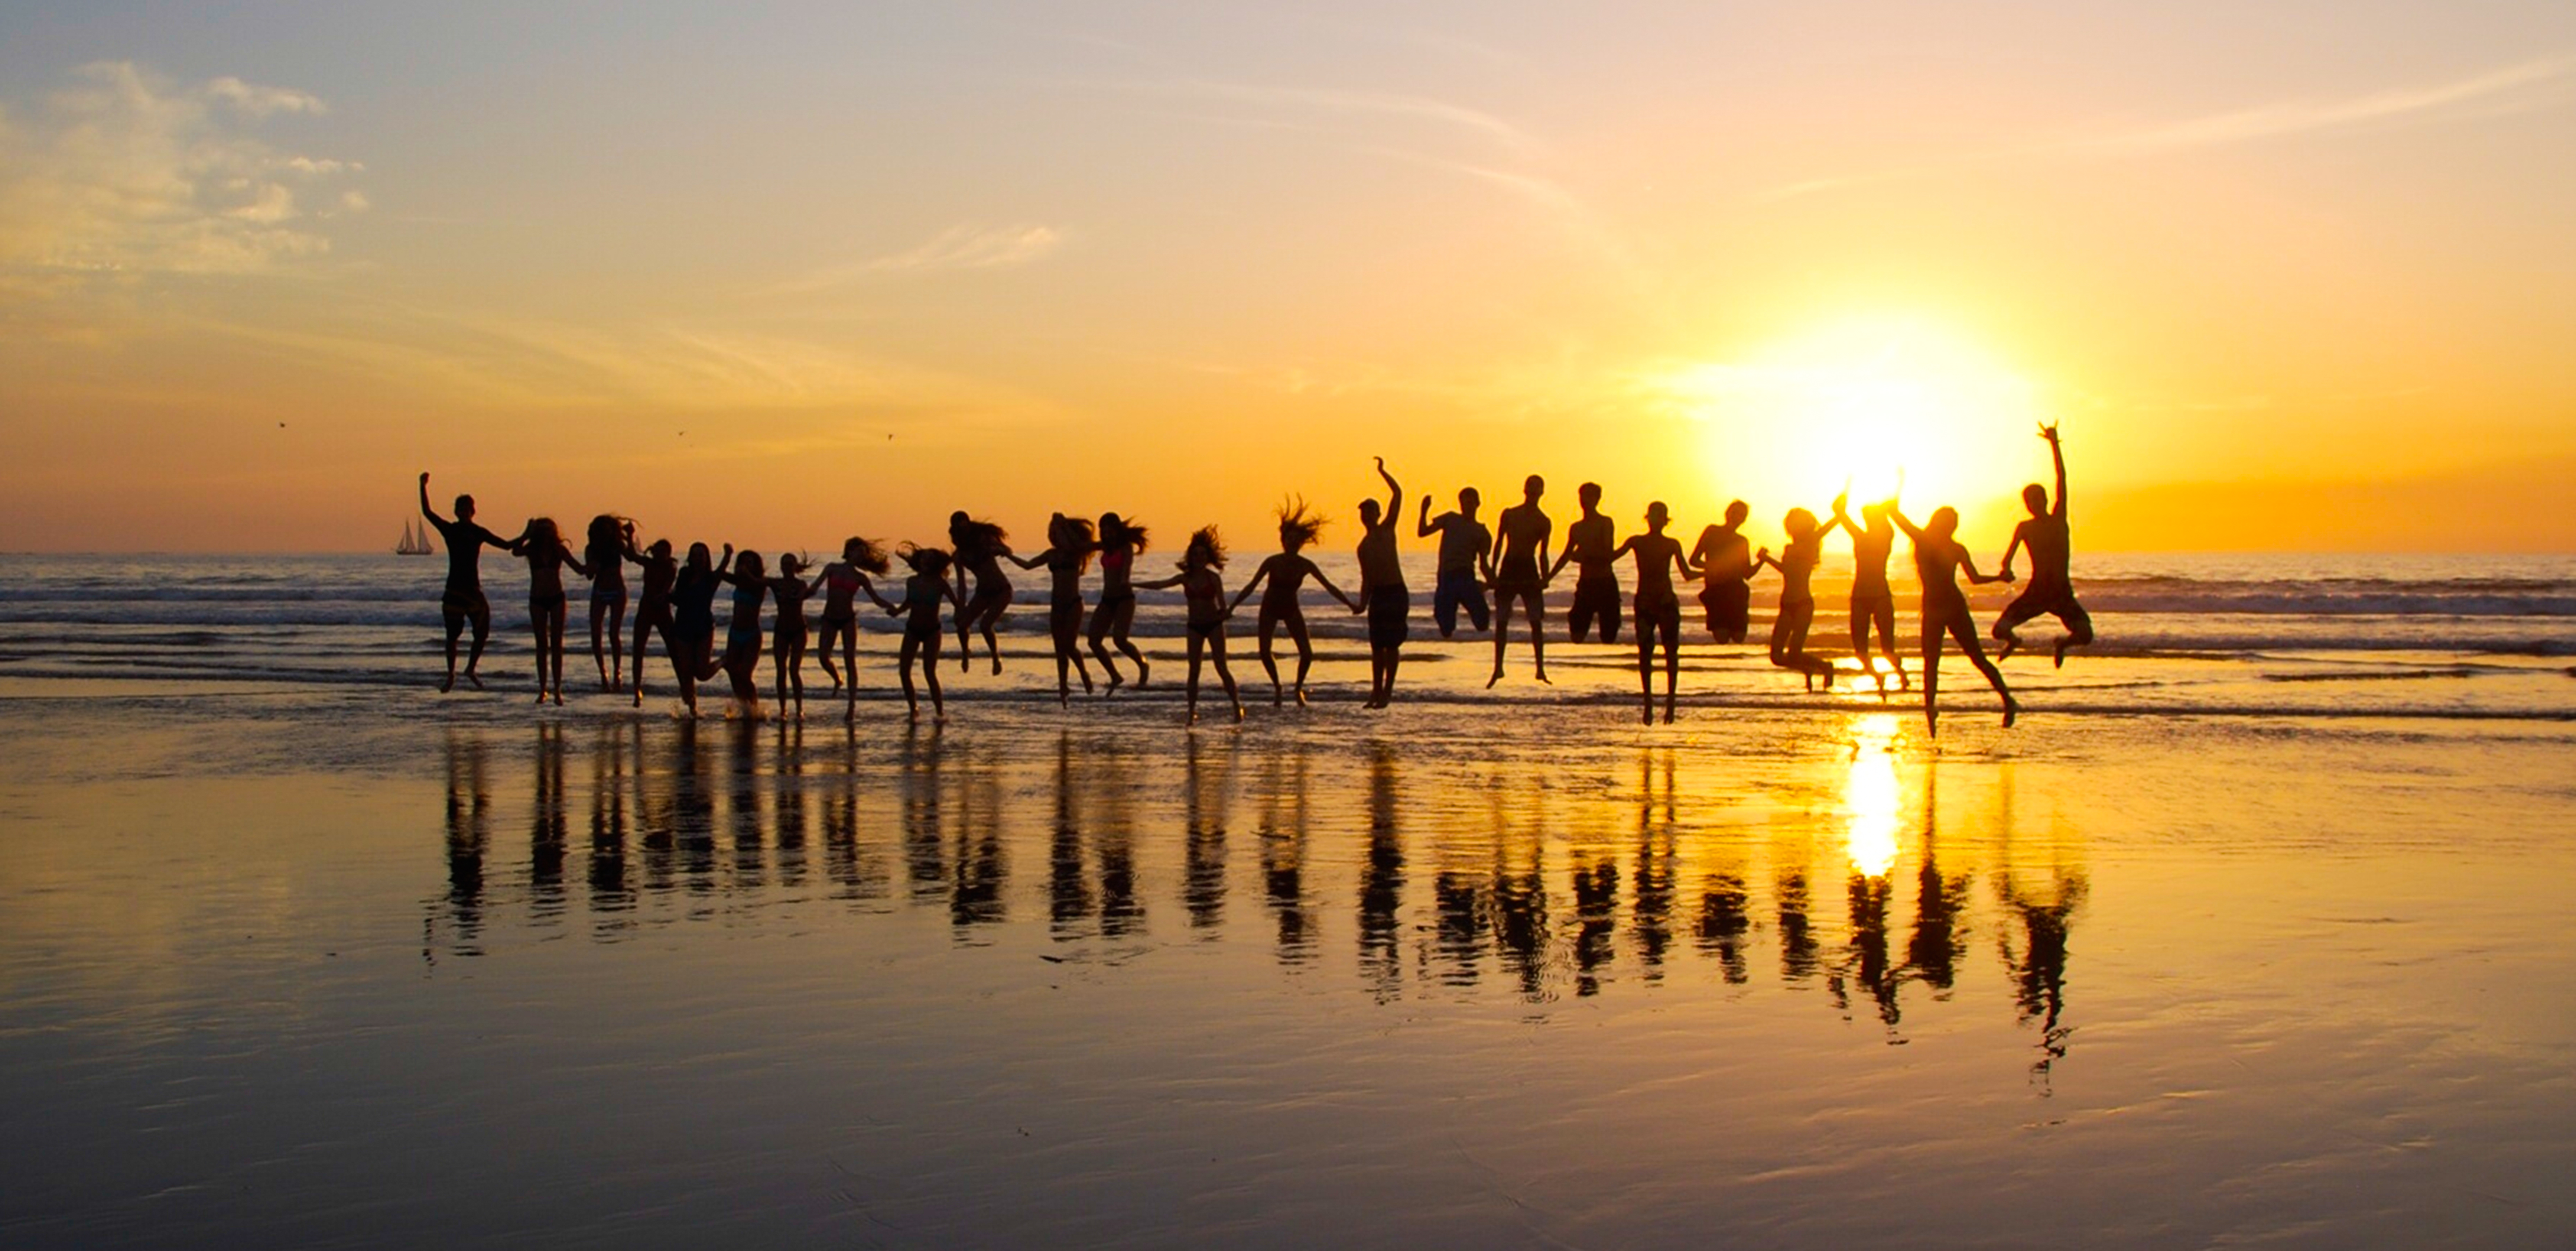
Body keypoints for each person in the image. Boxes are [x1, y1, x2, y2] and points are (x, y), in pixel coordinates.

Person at [1889, 504, 2017, 734]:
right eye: (1949, 523)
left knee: (1974, 657)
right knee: (1932, 662)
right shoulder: (1924, 540)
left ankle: (2008, 700)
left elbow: (1975, 579)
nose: (1952, 527)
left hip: (1953, 607)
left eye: (1954, 524)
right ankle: (1930, 709)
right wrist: (1896, 491)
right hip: (1934, 609)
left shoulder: (1952, 548)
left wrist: (1999, 579)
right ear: (1940, 523)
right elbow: (1897, 517)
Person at [1226, 498, 1354, 706]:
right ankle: (1277, 687)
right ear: (1284, 541)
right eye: (1290, 540)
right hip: (1269, 608)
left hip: (1291, 609)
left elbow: (1329, 586)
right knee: (1264, 652)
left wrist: (1351, 605)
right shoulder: (1272, 562)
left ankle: (1298, 688)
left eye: (1297, 541)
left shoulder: (1306, 565)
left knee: (1307, 653)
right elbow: (1251, 586)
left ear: (1301, 544)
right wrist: (1232, 607)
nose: (1293, 544)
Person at [1994, 422, 2094, 667]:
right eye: (2029, 501)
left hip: (2060, 592)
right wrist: (2006, 570)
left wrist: (2053, 445)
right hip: (2036, 592)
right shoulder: (2025, 527)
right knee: (1999, 631)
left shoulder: (2058, 519)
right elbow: (2007, 558)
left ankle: (2062, 644)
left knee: (2085, 636)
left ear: (2045, 500)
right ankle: (2013, 641)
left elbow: (2062, 478)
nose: (2033, 505)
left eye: (2037, 500)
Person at [1139, 526, 1244, 725]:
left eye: (1203, 554)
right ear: (1191, 556)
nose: (1199, 557)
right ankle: (1191, 712)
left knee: (1221, 667)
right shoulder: (1185, 578)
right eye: (1196, 554)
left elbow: (1223, 605)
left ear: (1208, 557)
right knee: (1194, 670)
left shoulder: (1214, 578)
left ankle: (1236, 706)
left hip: (1213, 625)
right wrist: (1134, 585)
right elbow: (1161, 584)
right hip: (1194, 626)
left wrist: (1225, 614)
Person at [418, 472, 512, 692]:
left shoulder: (475, 532)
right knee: (453, 636)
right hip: (458, 591)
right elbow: (428, 513)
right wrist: (422, 487)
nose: (463, 513)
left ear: (471, 512)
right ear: (459, 512)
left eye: (466, 510)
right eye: (461, 510)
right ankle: (452, 674)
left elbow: (507, 546)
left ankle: (468, 670)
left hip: (468, 590)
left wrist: (528, 533)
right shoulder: (452, 530)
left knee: (481, 632)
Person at [1609, 502, 1700, 725]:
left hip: (1667, 602)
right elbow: (1609, 558)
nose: (1657, 519)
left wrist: (1712, 572)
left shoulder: (1672, 544)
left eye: (1661, 516)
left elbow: (1687, 574)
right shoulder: (1636, 542)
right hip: (1645, 604)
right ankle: (1648, 704)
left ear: (1666, 520)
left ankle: (1671, 704)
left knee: (1672, 654)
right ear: (1648, 518)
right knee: (1645, 654)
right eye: (1653, 515)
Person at [1008, 513, 1098, 706]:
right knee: (1060, 650)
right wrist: (1007, 554)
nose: (1054, 536)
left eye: (1058, 532)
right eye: (1052, 532)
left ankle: (1084, 673)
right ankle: (1063, 687)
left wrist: (1064, 524)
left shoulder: (1076, 552)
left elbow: (1077, 543)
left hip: (1074, 604)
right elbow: (1027, 565)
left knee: (1069, 645)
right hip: (1057, 606)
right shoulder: (1051, 554)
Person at [1750, 507, 1837, 691]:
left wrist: (1840, 512)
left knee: (1795, 652)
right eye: (1790, 523)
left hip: (1803, 603)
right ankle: (1808, 669)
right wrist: (1766, 559)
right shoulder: (1789, 548)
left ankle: (1826, 667)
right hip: (1786, 604)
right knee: (1777, 657)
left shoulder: (1812, 541)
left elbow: (1830, 526)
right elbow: (1786, 571)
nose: (1792, 527)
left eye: (1796, 523)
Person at [505, 516, 589, 705]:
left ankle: (558, 690)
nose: (545, 535)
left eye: (547, 530)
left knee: (557, 644)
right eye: (541, 531)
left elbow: (579, 569)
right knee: (541, 645)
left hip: (557, 598)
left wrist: (593, 567)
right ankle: (543, 689)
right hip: (537, 599)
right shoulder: (531, 550)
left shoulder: (559, 550)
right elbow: (515, 551)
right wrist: (526, 533)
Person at [1829, 491, 1907, 690]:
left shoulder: (1886, 537)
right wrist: (1846, 491)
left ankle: (1901, 674)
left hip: (1881, 595)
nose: (1866, 520)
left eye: (1869, 517)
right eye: (1865, 517)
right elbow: (1839, 512)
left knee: (1888, 649)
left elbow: (1892, 506)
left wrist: (1899, 483)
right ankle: (1877, 677)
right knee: (1860, 651)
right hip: (1859, 596)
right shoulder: (1860, 535)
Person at [879, 545, 963, 722]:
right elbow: (909, 602)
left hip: (932, 630)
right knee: (904, 671)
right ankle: (913, 709)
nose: (926, 563)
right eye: (924, 559)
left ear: (935, 564)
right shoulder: (912, 582)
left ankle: (940, 712)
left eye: (930, 560)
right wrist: (897, 612)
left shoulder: (941, 583)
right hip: (913, 629)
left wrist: (963, 619)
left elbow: (957, 604)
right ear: (919, 562)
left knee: (929, 673)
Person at [812, 537, 891, 720]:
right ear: (849, 551)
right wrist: (804, 593)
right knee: (824, 658)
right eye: (858, 551)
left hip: (848, 620)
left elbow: (876, 599)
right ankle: (837, 679)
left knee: (850, 661)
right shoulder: (832, 568)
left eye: (863, 553)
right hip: (830, 619)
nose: (860, 555)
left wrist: (893, 607)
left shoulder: (860, 577)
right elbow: (816, 586)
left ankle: (851, 707)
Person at [1487, 475, 1553, 687]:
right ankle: (1498, 667)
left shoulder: (1544, 521)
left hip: (1529, 568)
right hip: (1509, 567)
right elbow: (1498, 544)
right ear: (1524, 490)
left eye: (1538, 489)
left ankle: (1540, 668)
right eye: (1531, 488)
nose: (1533, 492)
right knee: (1502, 621)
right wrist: (1492, 573)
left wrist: (1546, 577)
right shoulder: (1510, 514)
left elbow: (1543, 553)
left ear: (1542, 492)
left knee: (1536, 621)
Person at [1353, 458, 1408, 709]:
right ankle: (1375, 692)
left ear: (1377, 514)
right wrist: (1362, 604)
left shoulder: (1387, 529)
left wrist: (1382, 471)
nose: (1367, 516)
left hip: (1396, 592)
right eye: (1364, 513)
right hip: (1378, 596)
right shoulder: (1362, 547)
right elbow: (1367, 579)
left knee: (1392, 646)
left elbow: (1398, 494)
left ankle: (1387, 691)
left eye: (1370, 511)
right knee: (1377, 648)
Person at [664, 542, 732, 718]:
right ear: (691, 557)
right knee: (686, 673)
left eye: (702, 555)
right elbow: (678, 598)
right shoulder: (685, 574)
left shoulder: (711, 578)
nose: (698, 558)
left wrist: (728, 555)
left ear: (707, 558)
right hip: (683, 625)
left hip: (703, 626)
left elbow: (721, 570)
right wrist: (666, 597)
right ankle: (693, 710)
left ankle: (723, 661)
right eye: (695, 555)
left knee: (701, 673)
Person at [1547, 482, 1620, 645]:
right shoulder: (1576, 528)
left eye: (1589, 497)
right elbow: (1566, 555)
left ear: (1598, 499)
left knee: (1609, 637)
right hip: (1586, 583)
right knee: (1577, 636)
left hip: (1605, 583)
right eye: (1582, 496)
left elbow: (1607, 553)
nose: (1585, 500)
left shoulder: (1605, 523)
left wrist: (1584, 555)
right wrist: (1548, 578)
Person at [1087, 513, 1152, 692]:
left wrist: (1125, 578)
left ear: (1117, 530)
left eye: (1110, 531)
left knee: (1120, 640)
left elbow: (1127, 567)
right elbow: (1082, 546)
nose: (1107, 535)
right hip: (1107, 599)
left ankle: (1143, 664)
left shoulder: (1126, 547)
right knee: (1093, 641)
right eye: (1104, 532)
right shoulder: (1104, 547)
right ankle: (1115, 676)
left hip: (1124, 598)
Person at [1418, 485, 1492, 638]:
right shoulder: (1450, 519)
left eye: (1471, 503)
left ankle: (1478, 591)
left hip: (1466, 577)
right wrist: (1424, 510)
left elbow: (1483, 563)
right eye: (1464, 503)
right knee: (1447, 630)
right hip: (1447, 577)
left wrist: (1492, 582)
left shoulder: (1481, 532)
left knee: (1483, 624)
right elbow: (1423, 532)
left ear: (1478, 504)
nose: (1467, 507)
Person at [948, 512, 1014, 675]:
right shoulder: (959, 556)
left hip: (1002, 590)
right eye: (959, 527)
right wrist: (959, 608)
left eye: (964, 525)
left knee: (985, 626)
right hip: (983, 592)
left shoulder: (984, 540)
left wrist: (999, 549)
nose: (962, 529)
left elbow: (1008, 551)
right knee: (962, 625)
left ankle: (995, 657)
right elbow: (962, 586)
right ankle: (965, 653)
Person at [708, 549, 770, 719]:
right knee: (734, 672)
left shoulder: (760, 583)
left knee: (744, 674)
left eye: (750, 563)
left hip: (752, 634)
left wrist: (745, 574)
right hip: (735, 633)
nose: (746, 566)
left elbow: (754, 583)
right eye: (743, 563)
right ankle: (744, 706)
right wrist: (727, 557)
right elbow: (719, 574)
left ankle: (754, 707)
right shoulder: (738, 582)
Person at [1689, 500, 1757, 644]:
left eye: (1741, 515)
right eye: (1735, 513)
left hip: (1737, 589)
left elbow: (1748, 573)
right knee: (1722, 637)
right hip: (1717, 589)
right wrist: (1712, 567)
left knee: (1739, 638)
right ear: (1727, 514)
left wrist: (1763, 560)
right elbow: (1694, 560)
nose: (1737, 517)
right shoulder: (1712, 531)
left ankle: (1741, 619)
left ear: (1744, 520)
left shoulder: (1742, 541)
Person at [624, 534, 678, 708]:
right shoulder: (649, 563)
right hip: (646, 609)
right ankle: (637, 691)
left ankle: (685, 688)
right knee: (638, 650)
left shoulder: (671, 567)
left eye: (665, 552)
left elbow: (667, 587)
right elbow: (632, 556)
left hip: (662, 610)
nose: (661, 555)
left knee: (674, 651)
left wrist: (662, 596)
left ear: (669, 554)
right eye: (659, 552)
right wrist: (630, 536)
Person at [768, 553, 817, 718]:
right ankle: (783, 710)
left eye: (791, 564)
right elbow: (755, 581)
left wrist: (807, 593)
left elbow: (807, 593)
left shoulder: (801, 584)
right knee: (780, 671)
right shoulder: (775, 583)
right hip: (781, 630)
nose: (787, 567)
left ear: (795, 567)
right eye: (785, 564)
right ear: (781, 566)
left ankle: (799, 709)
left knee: (794, 670)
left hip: (798, 630)